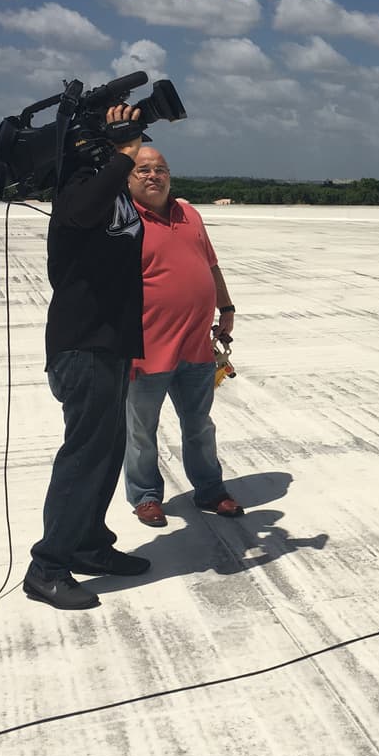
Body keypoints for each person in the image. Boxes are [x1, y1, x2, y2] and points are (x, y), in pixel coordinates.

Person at [24, 103, 152, 611]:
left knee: (108, 450)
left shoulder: (111, 190)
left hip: (113, 342)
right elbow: (80, 211)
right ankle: (47, 566)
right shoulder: (76, 186)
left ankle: (88, 545)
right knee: (83, 455)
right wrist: (119, 154)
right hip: (83, 343)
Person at [122, 145, 244, 529]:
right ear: (127, 177)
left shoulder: (189, 213)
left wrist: (226, 308)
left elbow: (211, 265)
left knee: (200, 425)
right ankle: (145, 497)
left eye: (161, 169)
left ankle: (210, 490)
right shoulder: (122, 220)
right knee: (141, 430)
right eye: (143, 170)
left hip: (195, 346)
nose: (153, 176)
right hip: (146, 349)